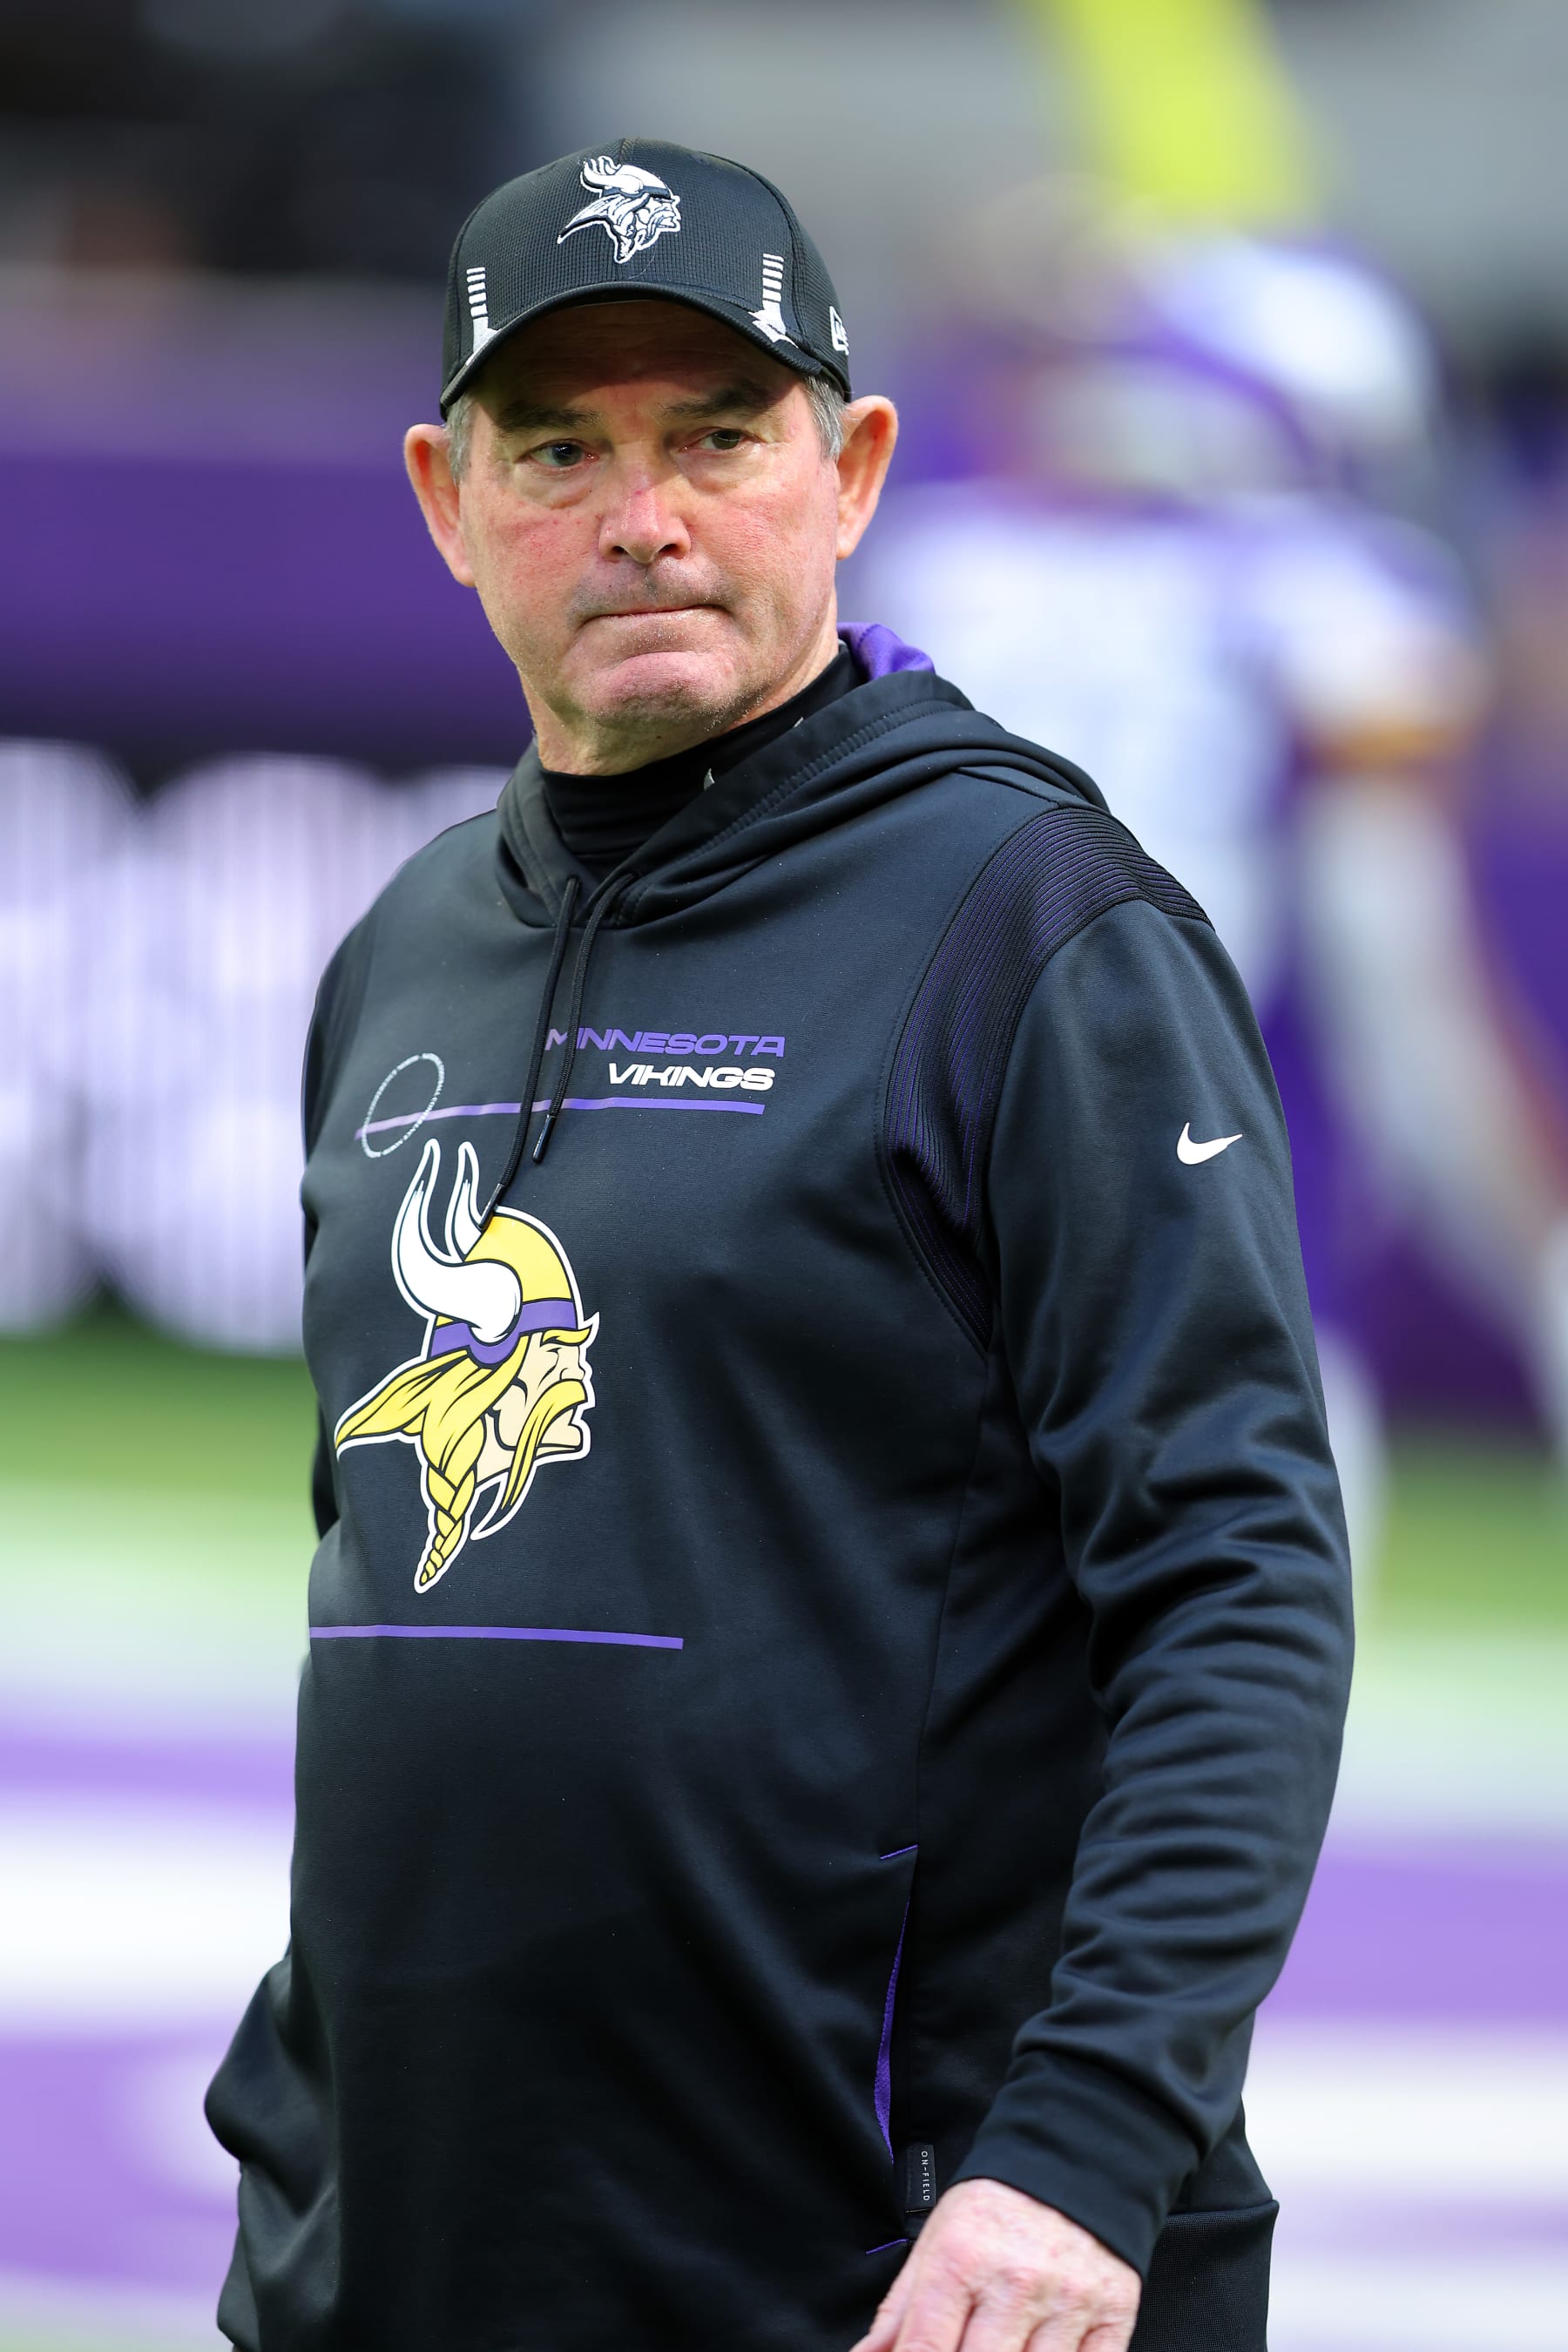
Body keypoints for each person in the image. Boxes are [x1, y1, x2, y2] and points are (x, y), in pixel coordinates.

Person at [206, 140, 1352, 2352]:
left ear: (852, 471)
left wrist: (1082, 2157)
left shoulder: (1035, 923)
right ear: (449, 503)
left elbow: (1239, 1584)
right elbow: (400, 1598)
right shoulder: (402, 953)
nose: (644, 514)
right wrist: (313, 2148)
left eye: (718, 437)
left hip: (907, 2268)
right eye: (563, 449)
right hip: (411, 2253)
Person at [857, 213, 1568, 1576]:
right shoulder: (1334, 605)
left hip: (913, 1155)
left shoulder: (933, 567)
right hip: (1192, 1183)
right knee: (1236, 1678)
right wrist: (1539, 1258)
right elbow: (1402, 995)